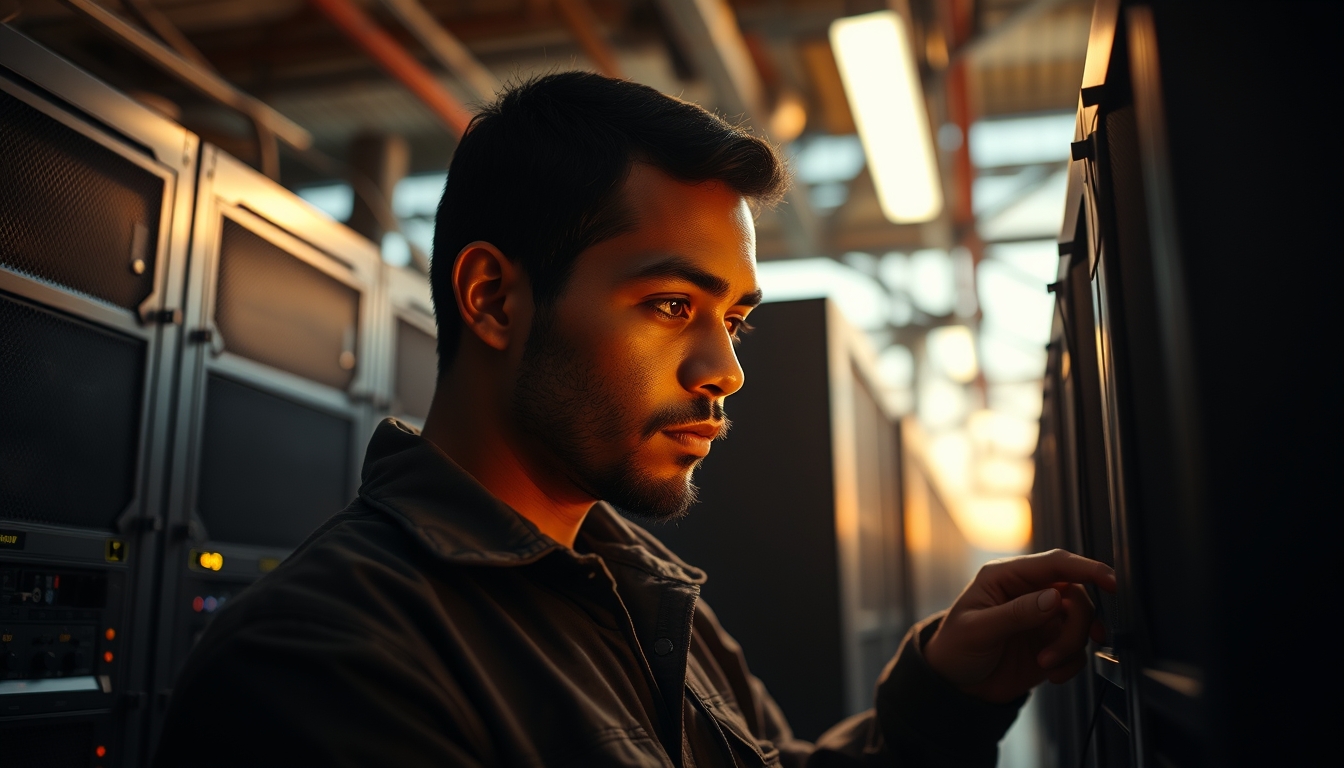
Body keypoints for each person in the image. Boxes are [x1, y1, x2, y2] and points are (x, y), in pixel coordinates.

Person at [154, 72, 1114, 767]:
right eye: (670, 306)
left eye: (733, 319)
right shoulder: (324, 663)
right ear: (491, 299)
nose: (726, 371)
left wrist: (944, 695)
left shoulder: (637, 591)